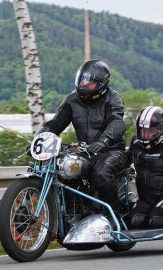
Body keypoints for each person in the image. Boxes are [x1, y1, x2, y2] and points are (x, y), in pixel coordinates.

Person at [36, 59, 127, 215]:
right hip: (87, 151)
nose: (84, 85)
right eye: (82, 80)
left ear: (101, 85)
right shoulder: (72, 100)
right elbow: (56, 124)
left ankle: (114, 215)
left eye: (89, 82)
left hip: (112, 151)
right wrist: (40, 139)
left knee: (101, 174)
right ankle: (73, 214)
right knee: (65, 171)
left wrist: (104, 141)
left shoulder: (113, 98)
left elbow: (117, 123)